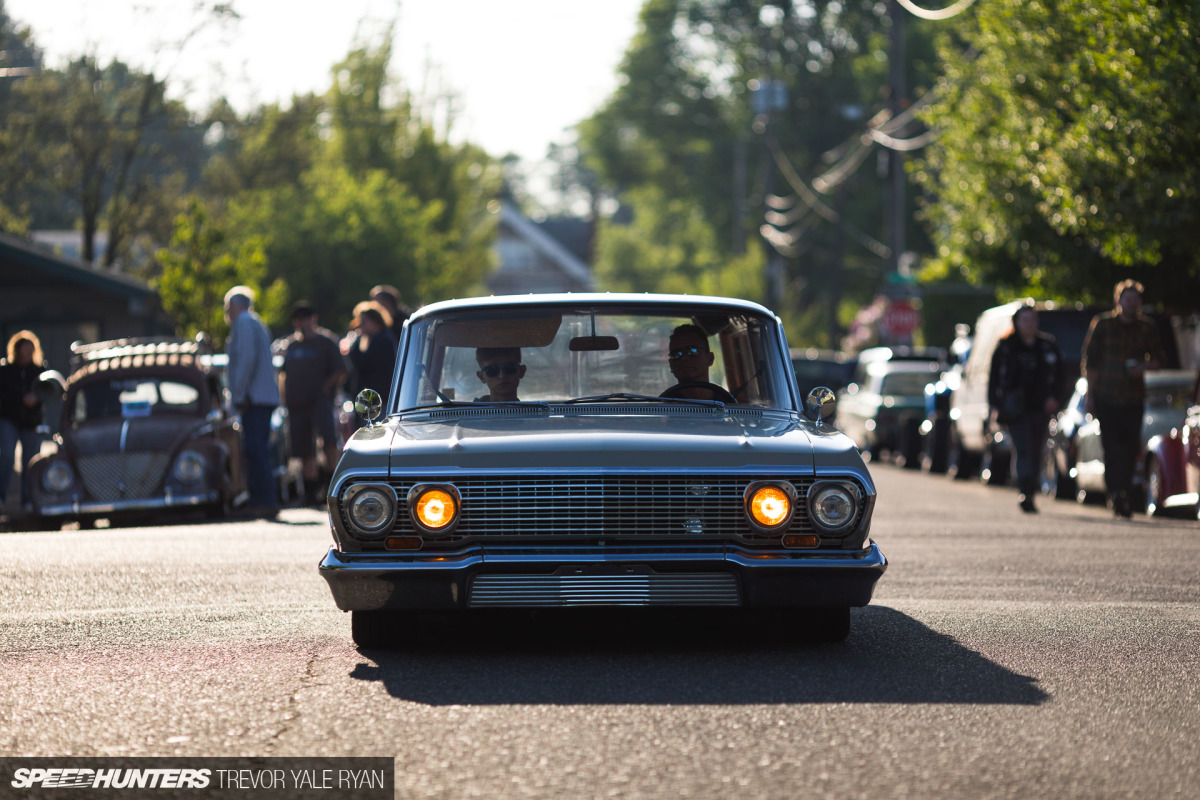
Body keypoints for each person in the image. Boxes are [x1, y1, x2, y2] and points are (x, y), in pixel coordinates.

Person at [1081, 279, 1165, 518]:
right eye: (1127, 299)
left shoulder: (1147, 327)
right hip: (1107, 397)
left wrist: (1144, 366)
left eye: (1136, 300)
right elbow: (1091, 361)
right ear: (1118, 301)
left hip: (1133, 397)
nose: (1132, 304)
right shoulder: (1103, 324)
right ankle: (1115, 493)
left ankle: (1123, 493)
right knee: (1112, 447)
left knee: (1129, 448)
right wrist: (1090, 394)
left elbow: (1160, 359)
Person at [988, 303, 1064, 513]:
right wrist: (995, 405)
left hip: (1040, 408)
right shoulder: (1006, 346)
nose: (1029, 324)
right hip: (1016, 409)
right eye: (1025, 320)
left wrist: (1055, 398)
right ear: (1016, 323)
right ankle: (1025, 489)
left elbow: (1060, 376)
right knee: (1023, 448)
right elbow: (993, 379)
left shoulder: (1047, 345)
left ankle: (1030, 489)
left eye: (1032, 320)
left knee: (1037, 449)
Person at [280, 301, 348, 506]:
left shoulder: (326, 342)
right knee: (303, 450)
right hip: (297, 405)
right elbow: (284, 374)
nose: (302, 324)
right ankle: (310, 492)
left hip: (320, 402)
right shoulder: (292, 345)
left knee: (328, 442)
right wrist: (285, 398)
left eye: (305, 319)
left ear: (313, 319)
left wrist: (326, 388)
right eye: (298, 320)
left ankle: (333, 486)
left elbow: (341, 370)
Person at [224, 286, 281, 519]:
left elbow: (246, 361)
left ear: (236, 305)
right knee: (257, 450)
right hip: (259, 397)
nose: (227, 312)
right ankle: (263, 499)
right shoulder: (254, 322)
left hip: (254, 398)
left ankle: (264, 500)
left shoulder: (244, 322)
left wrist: (238, 394)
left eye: (228, 307)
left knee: (256, 450)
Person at [0, 331, 47, 514]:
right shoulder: (5, 371)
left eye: (31, 349)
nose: (28, 353)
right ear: (16, 350)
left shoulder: (39, 371)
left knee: (31, 461)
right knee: (7, 457)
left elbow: (49, 392)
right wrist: (21, 399)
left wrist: (36, 398)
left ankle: (28, 499)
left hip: (31, 422)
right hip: (9, 418)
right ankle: (2, 495)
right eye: (24, 349)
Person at [661, 324, 737, 403]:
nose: (684, 358)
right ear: (670, 364)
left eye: (692, 351)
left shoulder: (729, 404)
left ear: (710, 358)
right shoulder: (660, 408)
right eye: (676, 354)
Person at [345, 301, 398, 409]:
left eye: (363, 321)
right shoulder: (377, 339)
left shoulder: (383, 340)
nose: (360, 325)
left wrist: (353, 343)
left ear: (375, 321)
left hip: (380, 400)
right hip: (375, 398)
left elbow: (362, 363)